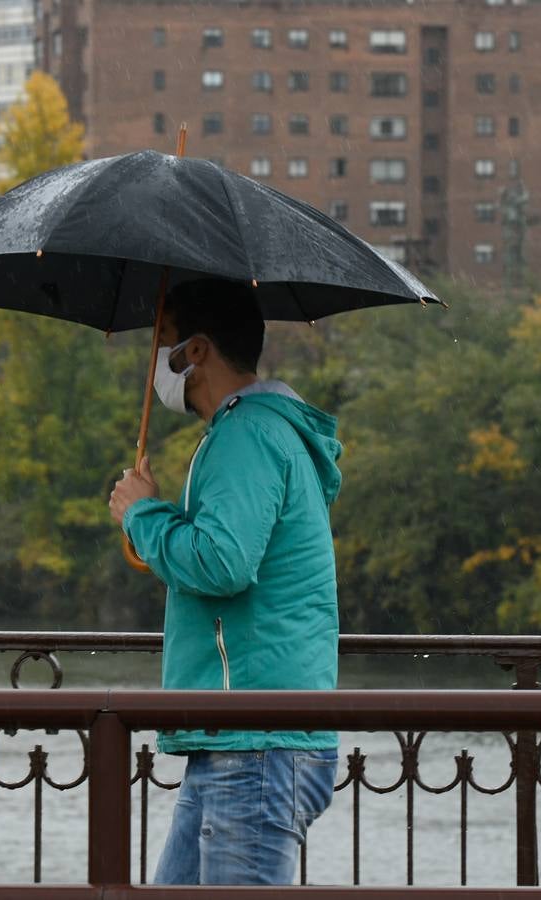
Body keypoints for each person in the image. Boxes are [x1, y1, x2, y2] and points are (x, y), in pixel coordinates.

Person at [107, 279, 343, 886]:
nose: (157, 361)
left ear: (198, 351)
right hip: (240, 734)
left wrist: (142, 514)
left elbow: (224, 563)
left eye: (163, 342)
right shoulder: (253, 433)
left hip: (255, 740)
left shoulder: (248, 437)